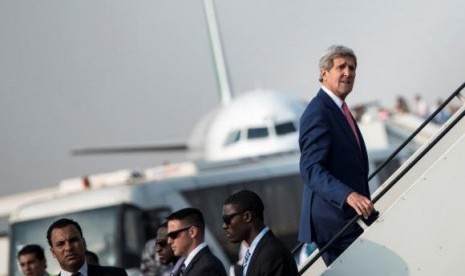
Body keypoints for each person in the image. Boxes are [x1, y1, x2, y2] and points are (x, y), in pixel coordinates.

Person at [298, 44, 375, 266]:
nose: (348, 73)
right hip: (334, 221)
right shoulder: (318, 112)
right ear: (324, 73)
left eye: (352, 68)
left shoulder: (340, 109)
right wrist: (347, 195)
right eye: (341, 66)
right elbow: (311, 169)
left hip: (348, 218)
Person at [222, 189, 298, 276]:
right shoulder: (257, 251)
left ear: (247, 216)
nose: (224, 226)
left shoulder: (271, 253)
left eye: (227, 219)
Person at [46, 218, 128, 276]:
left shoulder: (115, 274)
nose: (68, 248)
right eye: (61, 244)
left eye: (73, 240)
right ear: (53, 252)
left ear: (84, 243)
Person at [166, 208, 226, 276]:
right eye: (168, 236)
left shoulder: (207, 268)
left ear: (192, 232)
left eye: (173, 235)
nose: (169, 241)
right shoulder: (191, 265)